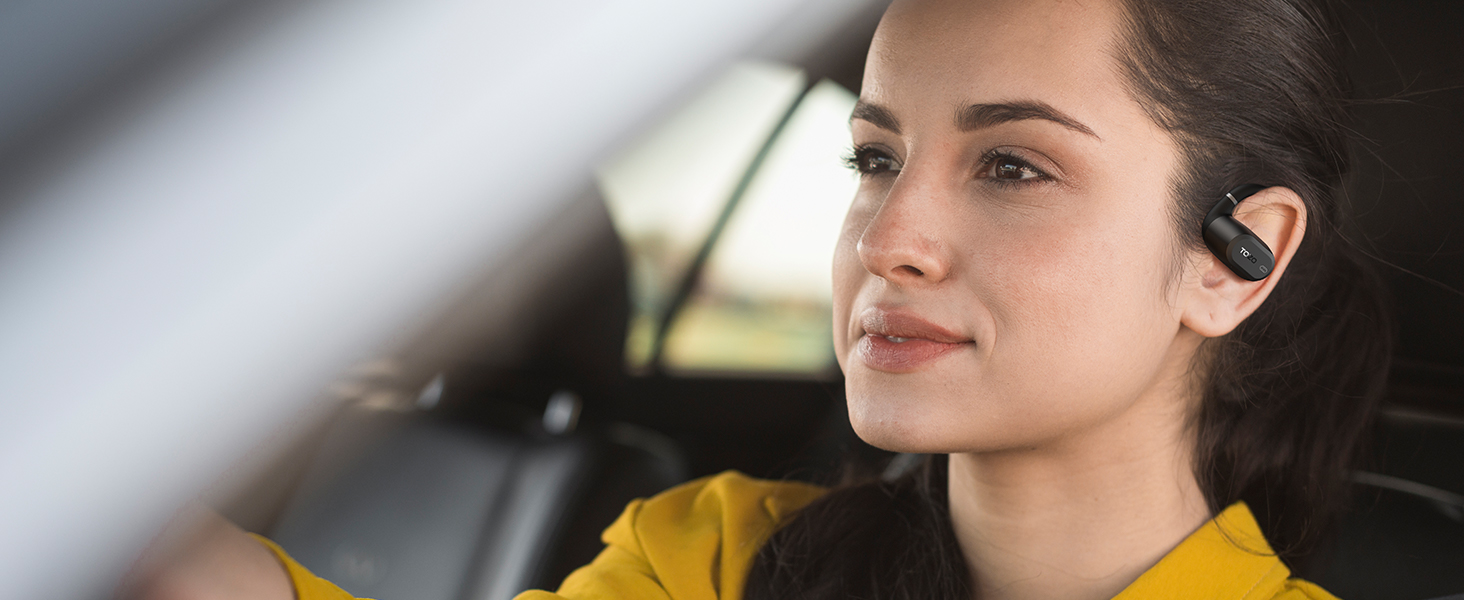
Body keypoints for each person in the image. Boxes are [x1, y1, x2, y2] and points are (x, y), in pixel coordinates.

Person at [130, 0, 1393, 598]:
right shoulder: (721, 559)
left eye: (1013, 166)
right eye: (875, 158)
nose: (888, 237)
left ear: (1235, 259)